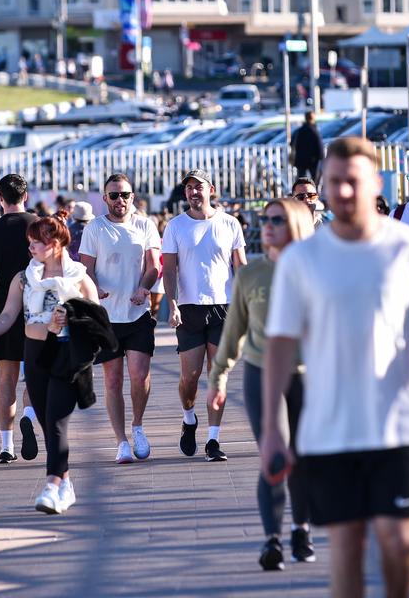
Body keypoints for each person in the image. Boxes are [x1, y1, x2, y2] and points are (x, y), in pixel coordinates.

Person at [261, 137, 409, 598]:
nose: (344, 192)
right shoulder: (301, 259)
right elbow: (279, 346)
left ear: (374, 182)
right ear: (324, 189)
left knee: (398, 540)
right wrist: (272, 425)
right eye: (335, 183)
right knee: (347, 546)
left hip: (396, 425)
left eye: (353, 181)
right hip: (328, 429)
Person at [209, 198, 316, 570]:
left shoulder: (319, 272)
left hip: (307, 376)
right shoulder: (250, 274)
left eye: (278, 220)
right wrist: (218, 376)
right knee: (274, 455)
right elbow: (234, 331)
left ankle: (301, 528)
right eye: (265, 219)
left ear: (299, 225)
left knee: (302, 458)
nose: (267, 226)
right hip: (260, 372)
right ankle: (272, 539)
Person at [0, 215, 100, 514]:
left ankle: (50, 486)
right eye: (30, 242)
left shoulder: (79, 278)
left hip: (66, 354)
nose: (31, 248)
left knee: (57, 419)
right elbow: (10, 311)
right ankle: (66, 484)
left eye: (37, 242)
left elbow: (98, 319)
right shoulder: (24, 278)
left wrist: (73, 318)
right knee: (48, 425)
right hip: (34, 353)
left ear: (56, 244)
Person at [162, 168, 247, 462]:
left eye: (199, 187)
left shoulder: (229, 223)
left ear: (211, 189)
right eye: (189, 188)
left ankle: (213, 440)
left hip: (223, 307)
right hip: (188, 309)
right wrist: (171, 304)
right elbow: (169, 269)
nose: (193, 192)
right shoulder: (175, 226)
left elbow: (241, 266)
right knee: (190, 377)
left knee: (218, 376)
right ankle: (189, 419)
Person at [79, 174, 162, 464]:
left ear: (132, 196)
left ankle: (138, 426)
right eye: (113, 195)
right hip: (107, 318)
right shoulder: (95, 228)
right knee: (113, 381)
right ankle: (121, 441)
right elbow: (84, 268)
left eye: (124, 195)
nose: (120, 201)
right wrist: (94, 289)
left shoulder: (144, 225)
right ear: (104, 199)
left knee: (140, 376)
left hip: (137, 313)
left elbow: (154, 265)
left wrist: (144, 287)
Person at [0, 174, 39, 464]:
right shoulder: (39, 226)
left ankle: (6, 444)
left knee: (6, 379)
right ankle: (29, 414)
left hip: (4, 310)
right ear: (26, 195)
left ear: (0, 198)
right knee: (37, 375)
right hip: (38, 308)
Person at [290, 111, 324, 181]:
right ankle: (313, 190)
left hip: (300, 159)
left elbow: (292, 143)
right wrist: (322, 157)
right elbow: (319, 146)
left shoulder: (299, 131)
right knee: (315, 179)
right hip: (313, 160)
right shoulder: (314, 131)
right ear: (313, 118)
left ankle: (300, 191)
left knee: (301, 179)